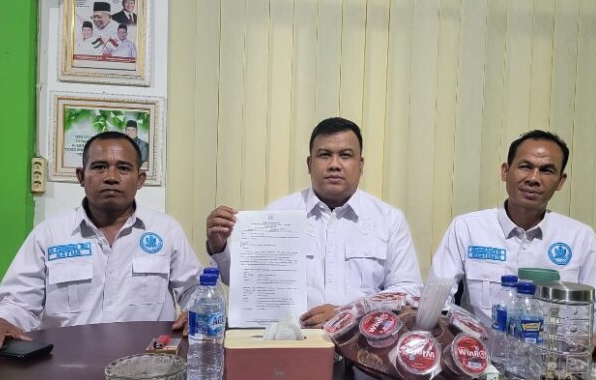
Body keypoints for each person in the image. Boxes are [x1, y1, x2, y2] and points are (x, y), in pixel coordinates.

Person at [0, 131, 202, 360]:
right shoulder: (50, 235)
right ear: (80, 176)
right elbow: (18, 304)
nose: (111, 177)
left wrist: (198, 310)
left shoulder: (165, 231)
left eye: (123, 168)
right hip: (66, 367)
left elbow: (195, 289)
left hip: (149, 365)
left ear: (140, 180)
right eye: (99, 167)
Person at [176, 117, 422, 331]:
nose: (334, 164)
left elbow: (408, 291)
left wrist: (348, 313)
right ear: (309, 164)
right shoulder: (278, 214)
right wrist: (219, 246)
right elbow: (244, 281)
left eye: (346, 155)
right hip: (292, 343)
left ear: (361, 165)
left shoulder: (389, 219)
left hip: (362, 345)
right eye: (324, 155)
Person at [430, 129, 596, 369]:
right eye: (525, 166)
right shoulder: (467, 228)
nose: (534, 178)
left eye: (546, 170)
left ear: (560, 182)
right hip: (481, 361)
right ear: (505, 171)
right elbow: (437, 297)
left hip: (555, 366)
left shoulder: (579, 237)